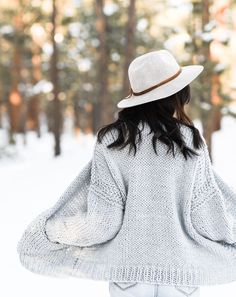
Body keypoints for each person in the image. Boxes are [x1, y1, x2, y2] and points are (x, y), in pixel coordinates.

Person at [17, 50, 236, 297]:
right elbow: (207, 216)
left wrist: (49, 230)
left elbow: (102, 224)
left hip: (128, 280)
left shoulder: (112, 141)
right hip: (180, 280)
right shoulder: (189, 140)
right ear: (176, 94)